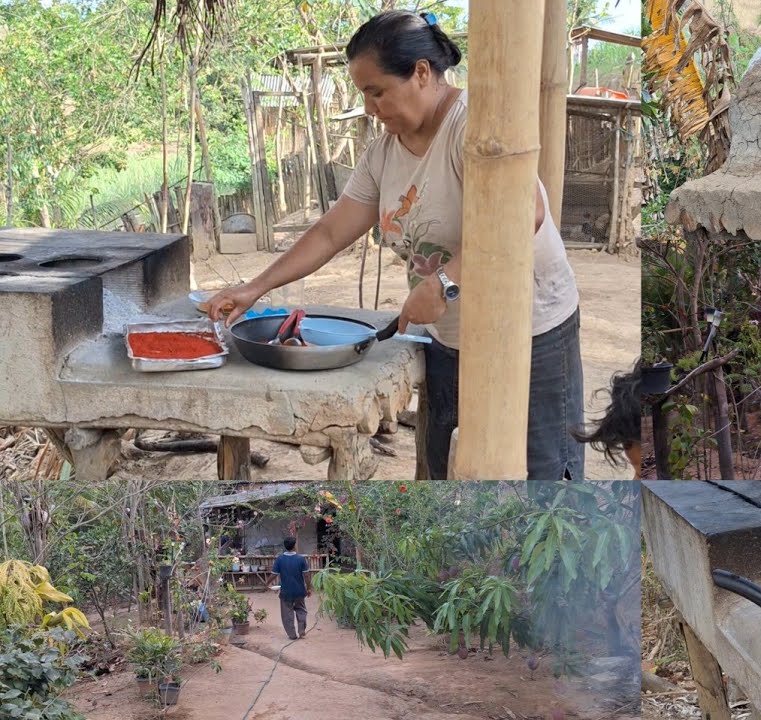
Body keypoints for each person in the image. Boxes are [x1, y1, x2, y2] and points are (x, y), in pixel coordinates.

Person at [207, 10, 585, 481]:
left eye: (376, 91)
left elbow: (523, 214)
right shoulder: (384, 151)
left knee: (544, 481)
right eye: (364, 94)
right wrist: (254, 288)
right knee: (448, 474)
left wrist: (444, 282)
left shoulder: (474, 127)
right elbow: (329, 232)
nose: (369, 107)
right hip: (449, 335)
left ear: (422, 73)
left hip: (533, 333)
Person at [271, 537, 309, 640]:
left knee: (287, 613)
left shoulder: (279, 559)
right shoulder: (301, 559)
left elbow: (274, 575)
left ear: (285, 546)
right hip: (299, 591)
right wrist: (309, 588)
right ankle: (301, 630)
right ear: (294, 546)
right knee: (301, 610)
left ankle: (292, 634)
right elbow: (306, 576)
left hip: (285, 592)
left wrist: (266, 583)